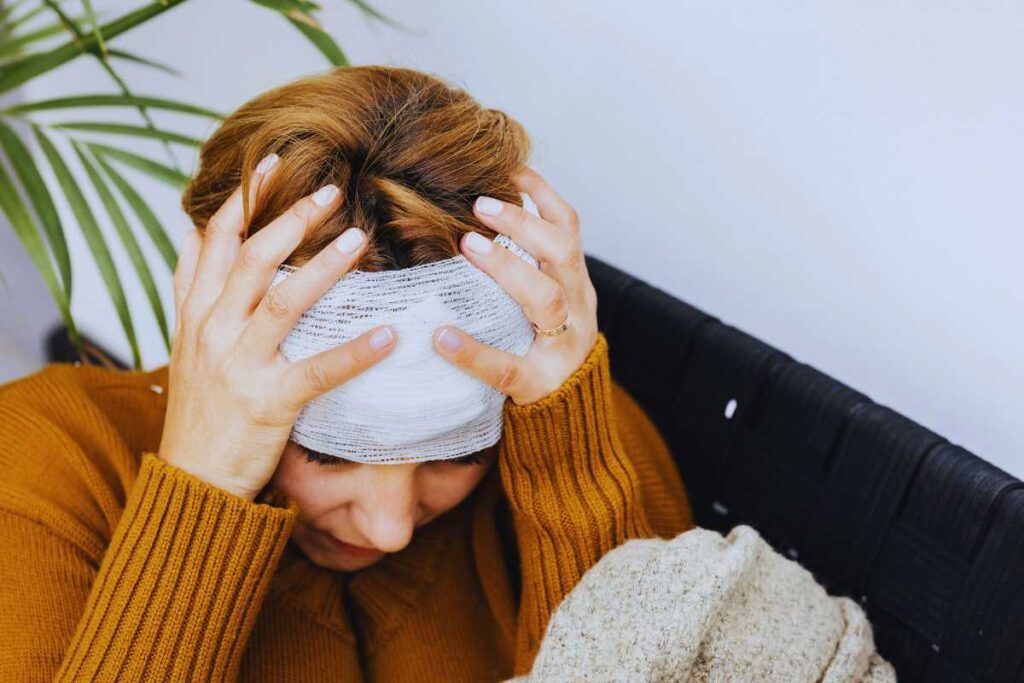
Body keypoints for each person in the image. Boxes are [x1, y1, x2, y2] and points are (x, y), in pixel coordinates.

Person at [0, 65, 692, 681]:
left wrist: (571, 462)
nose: (388, 529)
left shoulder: (570, 432)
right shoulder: (42, 464)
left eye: (461, 451)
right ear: (205, 309)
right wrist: (204, 486)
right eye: (329, 454)